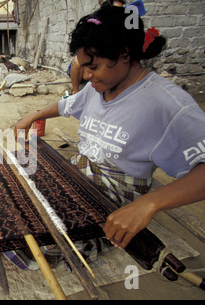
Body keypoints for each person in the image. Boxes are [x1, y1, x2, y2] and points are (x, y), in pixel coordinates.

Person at [15, 6, 205, 251]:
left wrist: (148, 204)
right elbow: (67, 104)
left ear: (124, 54)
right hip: (77, 178)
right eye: (82, 66)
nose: (85, 75)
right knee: (17, 195)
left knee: (30, 237)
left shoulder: (168, 104)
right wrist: (34, 115)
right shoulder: (98, 89)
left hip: (110, 203)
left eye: (93, 67)